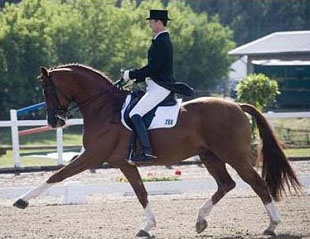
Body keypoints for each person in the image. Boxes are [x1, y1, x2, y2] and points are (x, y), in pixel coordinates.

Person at [123, 9, 193, 164]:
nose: (150, 24)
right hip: (155, 85)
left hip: (161, 87)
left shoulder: (161, 41)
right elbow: (153, 69)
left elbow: (153, 67)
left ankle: (146, 152)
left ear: (159, 22)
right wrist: (134, 78)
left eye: (151, 21)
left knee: (135, 114)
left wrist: (132, 74)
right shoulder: (160, 40)